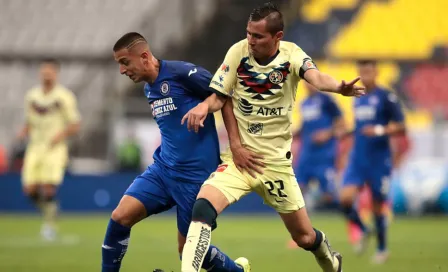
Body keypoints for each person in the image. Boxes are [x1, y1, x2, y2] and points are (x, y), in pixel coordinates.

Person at [180, 3, 364, 272]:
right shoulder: (237, 52)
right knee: (202, 209)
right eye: (248, 33)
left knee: (304, 237)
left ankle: (331, 262)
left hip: (276, 165)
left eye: (257, 36)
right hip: (239, 160)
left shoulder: (292, 55)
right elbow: (220, 95)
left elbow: (316, 77)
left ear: (277, 37)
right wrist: (204, 106)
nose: (250, 41)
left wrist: (339, 87)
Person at [103, 32, 248, 272]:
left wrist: (231, 140)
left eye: (124, 62)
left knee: (188, 255)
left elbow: (224, 95)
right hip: (162, 171)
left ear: (145, 56)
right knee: (119, 217)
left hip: (195, 178)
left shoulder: (183, 73)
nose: (122, 70)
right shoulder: (149, 89)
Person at [339, 60, 406, 264]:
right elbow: (361, 126)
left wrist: (378, 130)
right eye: (361, 72)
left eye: (368, 72)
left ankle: (382, 248)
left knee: (377, 206)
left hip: (379, 160)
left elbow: (401, 127)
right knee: (345, 198)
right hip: (358, 158)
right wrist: (348, 132)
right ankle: (364, 229)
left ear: (376, 72)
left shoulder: (387, 97)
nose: (364, 76)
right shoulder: (358, 98)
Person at [18, 58, 81, 240]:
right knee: (30, 189)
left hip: (55, 148)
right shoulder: (32, 96)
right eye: (44, 72)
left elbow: (75, 124)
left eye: (50, 72)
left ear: (56, 74)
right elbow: (29, 121)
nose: (46, 75)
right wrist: (23, 132)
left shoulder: (64, 96)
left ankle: (49, 226)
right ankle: (51, 210)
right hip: (34, 147)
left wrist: (59, 136)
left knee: (47, 187)